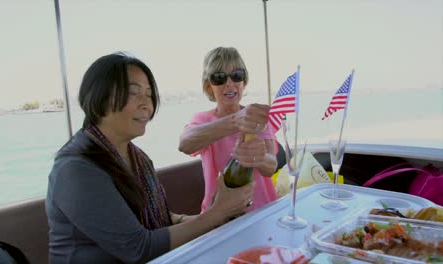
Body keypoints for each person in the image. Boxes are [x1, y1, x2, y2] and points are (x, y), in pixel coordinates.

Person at [45, 52, 255, 263]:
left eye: (149, 94)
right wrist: (216, 214)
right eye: (134, 93)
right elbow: (138, 248)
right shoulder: (76, 169)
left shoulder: (137, 158)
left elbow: (156, 219)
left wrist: (214, 218)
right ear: (99, 97)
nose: (147, 104)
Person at [178, 47, 278, 213]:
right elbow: (185, 143)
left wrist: (258, 158)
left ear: (243, 82)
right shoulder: (203, 120)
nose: (229, 83)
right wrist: (235, 121)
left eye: (236, 75)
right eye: (219, 78)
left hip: (263, 212)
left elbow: (270, 167)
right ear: (209, 87)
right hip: (220, 217)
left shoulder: (255, 115)